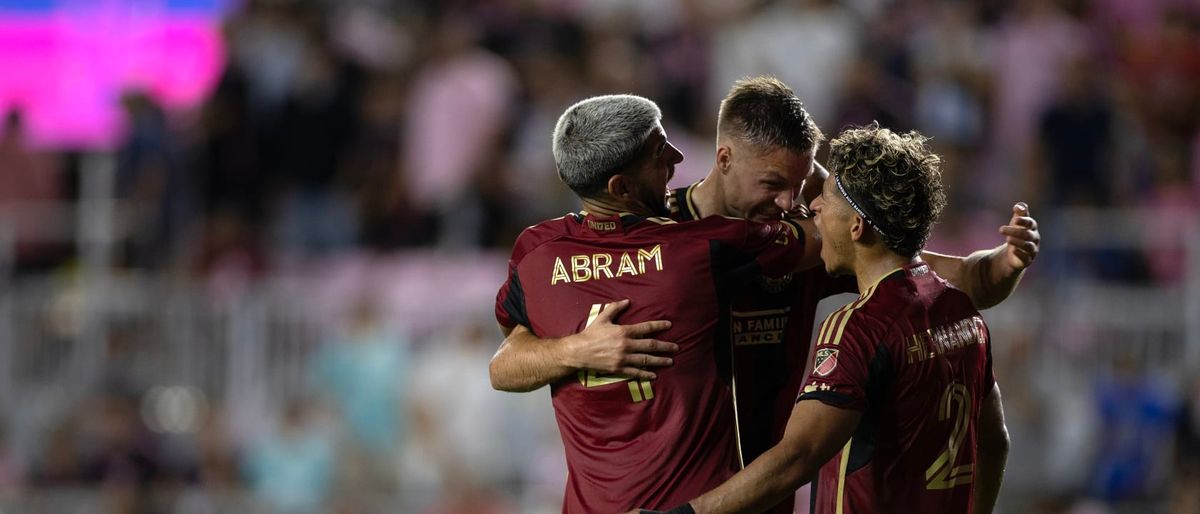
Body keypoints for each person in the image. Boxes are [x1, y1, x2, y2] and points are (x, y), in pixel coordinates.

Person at [491, 77, 1038, 513]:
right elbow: (505, 365)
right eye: (774, 184)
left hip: (759, 494)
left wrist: (1004, 264)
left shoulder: (552, 248)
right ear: (724, 158)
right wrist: (574, 350)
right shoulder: (703, 249)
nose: (790, 204)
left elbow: (940, 281)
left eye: (803, 188)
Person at [639, 123, 1009, 514]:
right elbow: (995, 441)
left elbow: (797, 458)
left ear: (856, 226)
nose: (812, 206)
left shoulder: (860, 327)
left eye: (827, 198)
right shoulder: (962, 313)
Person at [494, 94, 824, 512]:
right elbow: (830, 237)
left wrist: (571, 349)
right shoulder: (700, 248)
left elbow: (504, 364)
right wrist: (807, 171)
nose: (678, 155)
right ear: (622, 187)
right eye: (659, 152)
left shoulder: (536, 252)